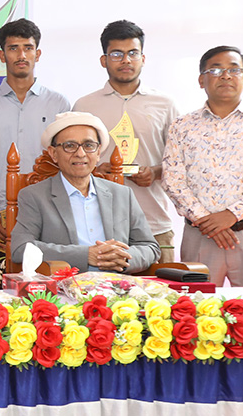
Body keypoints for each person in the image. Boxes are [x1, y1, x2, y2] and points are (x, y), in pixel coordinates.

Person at [162, 46, 243, 286]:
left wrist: (231, 215)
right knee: (197, 304)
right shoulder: (182, 125)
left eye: (234, 69)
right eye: (216, 70)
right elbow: (172, 180)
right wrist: (207, 221)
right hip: (200, 234)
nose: (226, 76)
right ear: (201, 80)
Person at [0, 19, 71, 286]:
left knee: (48, 301)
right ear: (3, 56)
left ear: (38, 53)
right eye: (13, 48)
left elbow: (67, 164)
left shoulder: (58, 103)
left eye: (28, 47)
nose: (21, 55)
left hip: (48, 223)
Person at [72, 21, 180, 262]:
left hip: (154, 223)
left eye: (133, 53)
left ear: (143, 58)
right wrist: (96, 171)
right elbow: (71, 162)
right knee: (96, 288)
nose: (126, 60)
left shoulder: (165, 104)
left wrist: (154, 172)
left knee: (162, 286)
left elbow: (180, 162)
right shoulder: (84, 106)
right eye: (117, 54)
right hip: (97, 226)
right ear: (104, 60)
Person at [11, 112, 159, 274]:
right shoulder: (34, 196)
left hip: (117, 284)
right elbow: (21, 248)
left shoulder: (122, 194)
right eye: (70, 146)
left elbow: (150, 247)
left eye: (88, 145)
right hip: (65, 285)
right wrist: (85, 255)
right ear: (53, 153)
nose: (80, 153)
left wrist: (123, 258)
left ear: (98, 152)